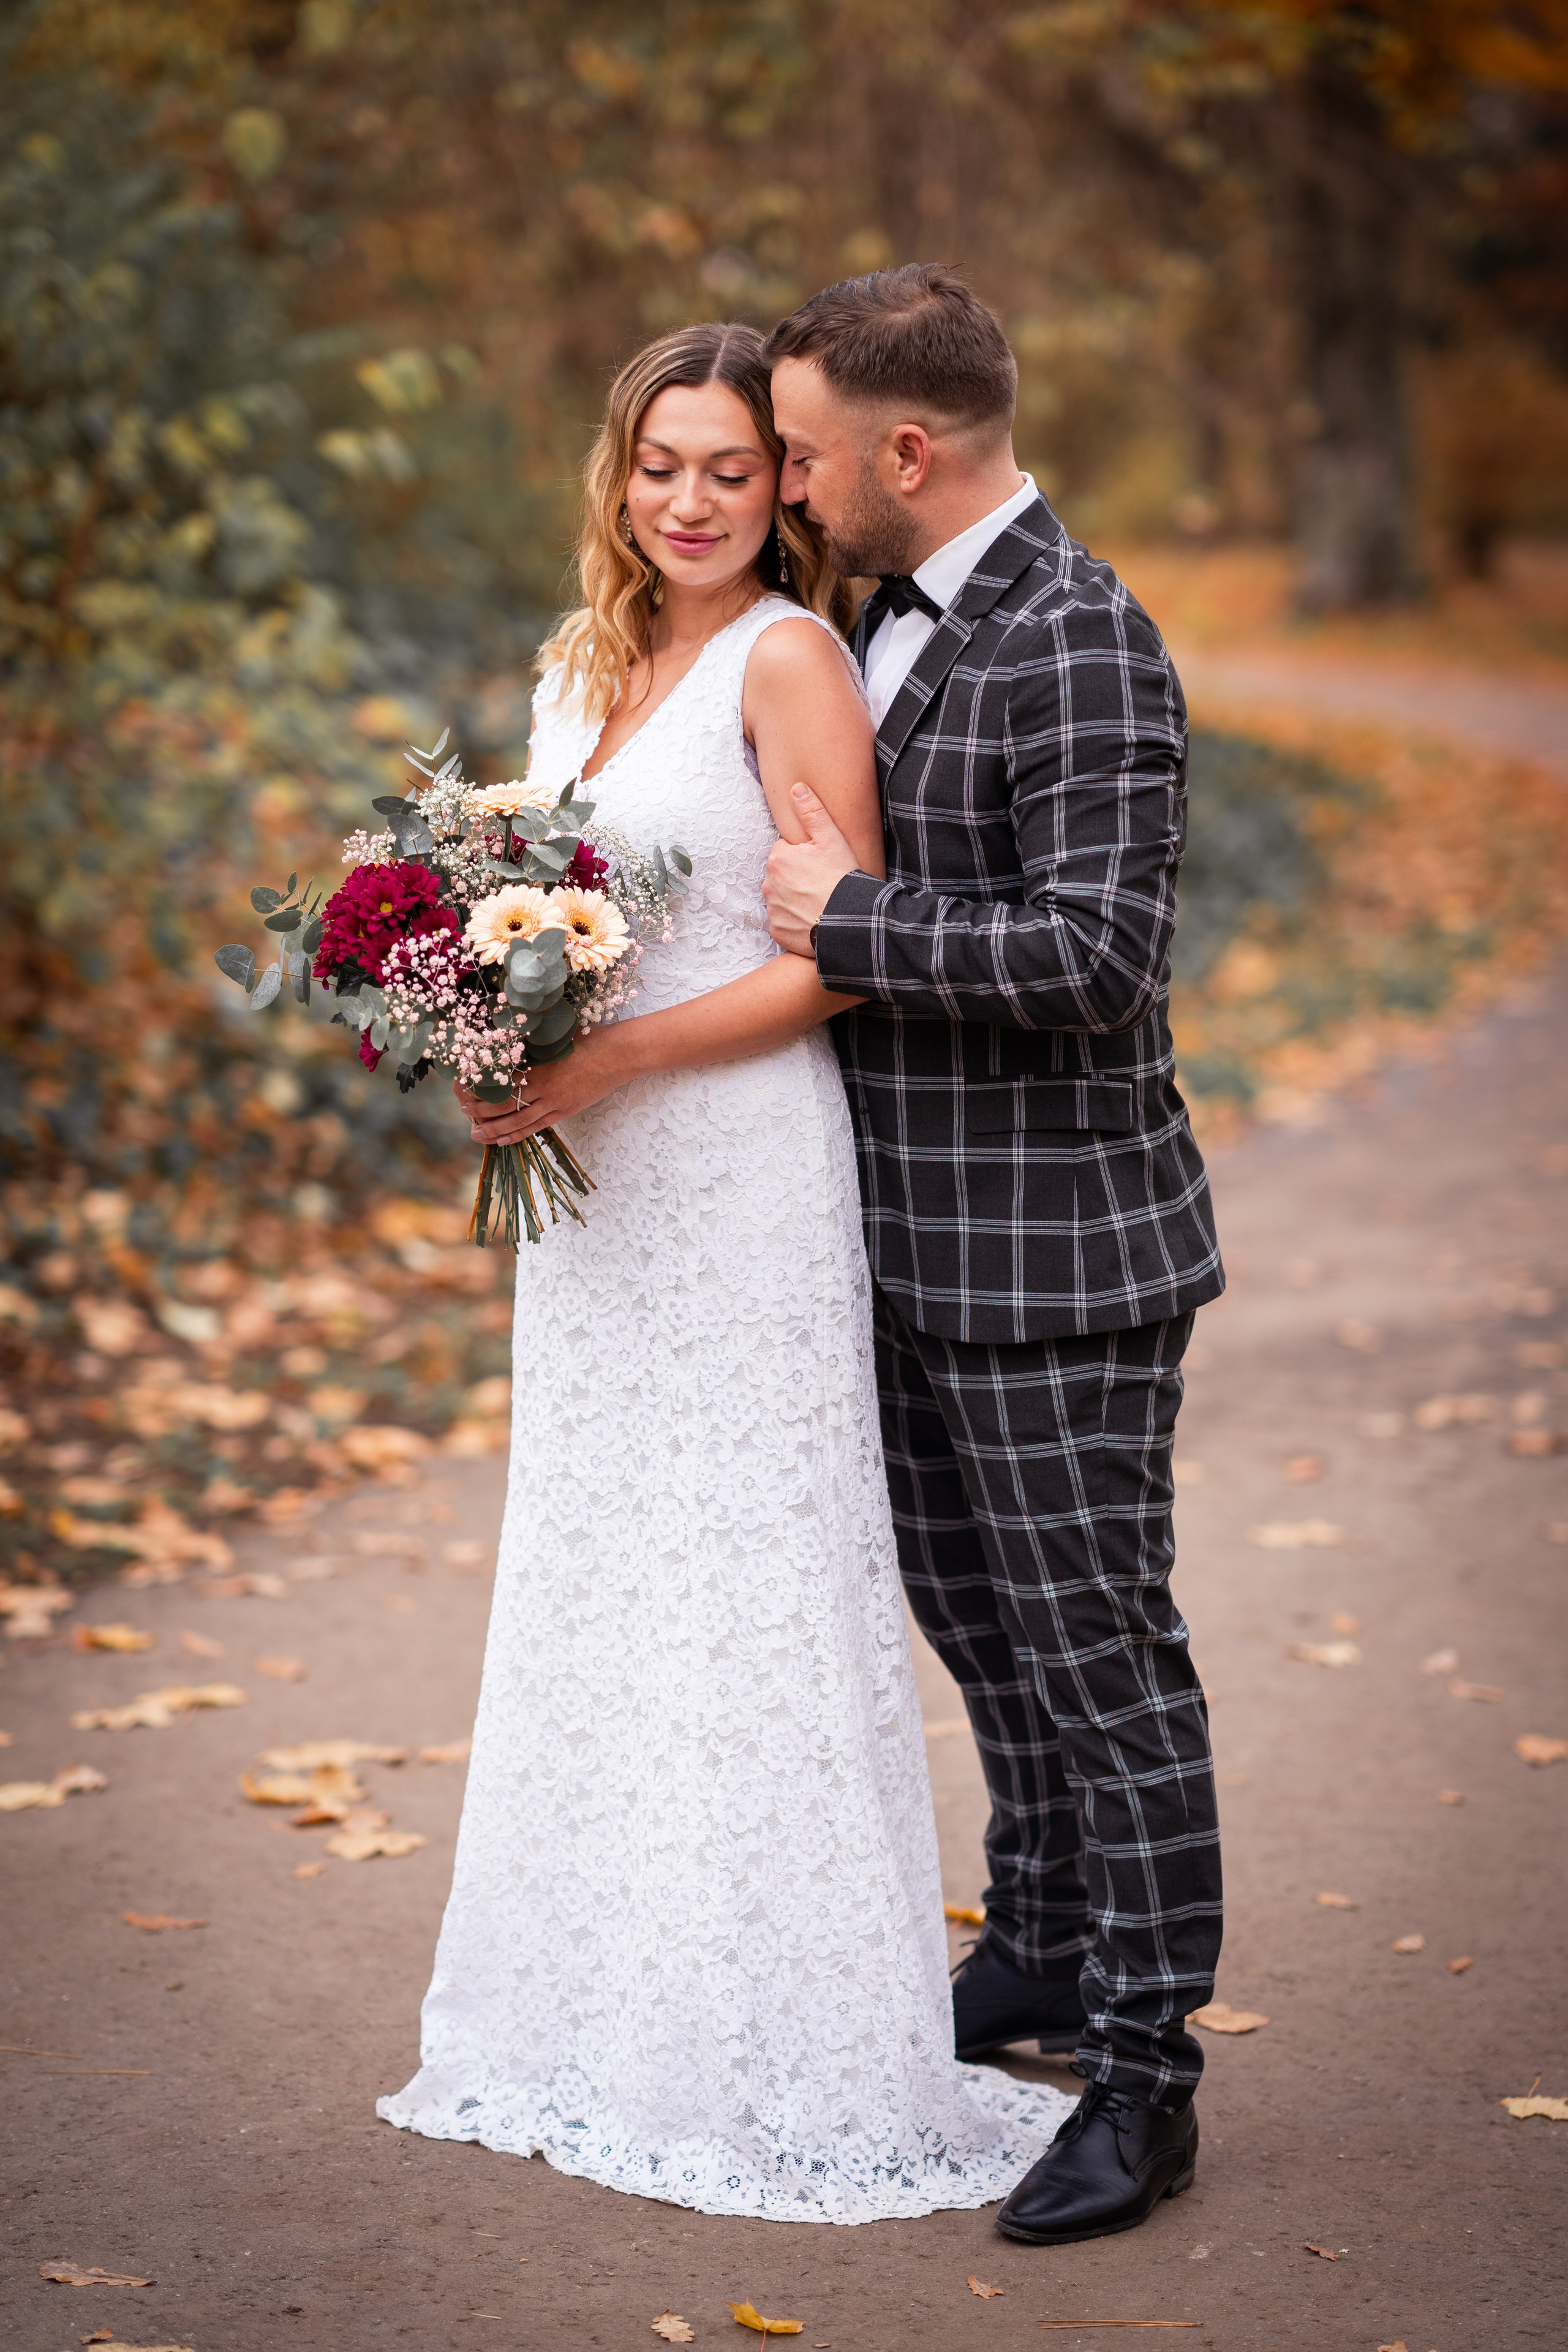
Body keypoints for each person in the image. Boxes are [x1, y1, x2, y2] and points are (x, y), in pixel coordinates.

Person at [376, 320, 1073, 2223]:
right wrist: (483, 1033)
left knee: (750, 1578)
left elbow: (829, 951)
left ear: (787, 490)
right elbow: (524, 907)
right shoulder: (576, 666)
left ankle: (782, 2047)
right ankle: (589, 2020)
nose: (689, 501)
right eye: (659, 465)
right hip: (600, 1194)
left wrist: (605, 1058)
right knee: (604, 1566)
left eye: (731, 469)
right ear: (619, 475)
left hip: (743, 1166)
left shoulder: (793, 659)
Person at [761, 263, 1226, 2248]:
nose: (790, 486)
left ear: (907, 449)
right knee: (990, 1638)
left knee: (1105, 1665)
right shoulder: (880, 612)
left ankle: (1148, 2072)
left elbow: (1101, 957)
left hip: (1061, 1267)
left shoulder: (1084, 639)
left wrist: (849, 922)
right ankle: (1036, 1945)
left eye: (801, 452)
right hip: (908, 1254)